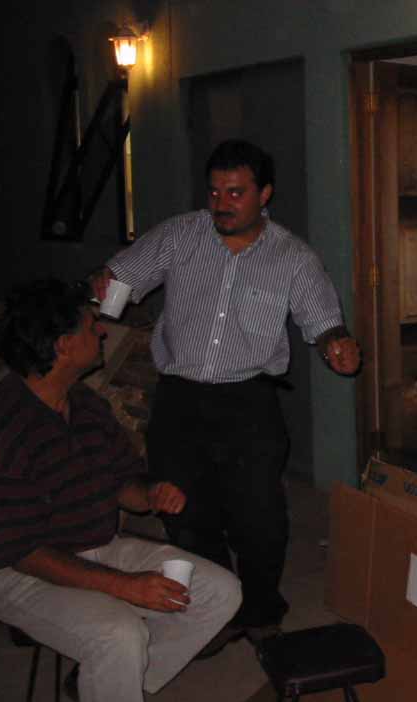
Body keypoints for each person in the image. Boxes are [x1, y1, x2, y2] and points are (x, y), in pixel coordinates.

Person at [91, 139, 360, 651]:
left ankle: (260, 609)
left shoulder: (292, 256)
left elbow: (323, 322)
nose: (222, 203)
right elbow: (119, 277)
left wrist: (337, 346)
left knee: (259, 514)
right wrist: (104, 281)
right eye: (215, 192)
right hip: (179, 397)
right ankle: (217, 610)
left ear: (264, 194)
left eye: (236, 193)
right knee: (183, 511)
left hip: (248, 401)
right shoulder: (179, 235)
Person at [0, 279, 242, 702]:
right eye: (91, 326)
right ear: (64, 346)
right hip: (16, 572)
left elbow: (121, 481)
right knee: (119, 634)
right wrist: (124, 586)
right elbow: (21, 551)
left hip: (98, 543)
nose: (102, 332)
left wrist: (149, 494)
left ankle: (109, 685)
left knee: (221, 592)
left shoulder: (85, 405)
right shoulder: (4, 425)